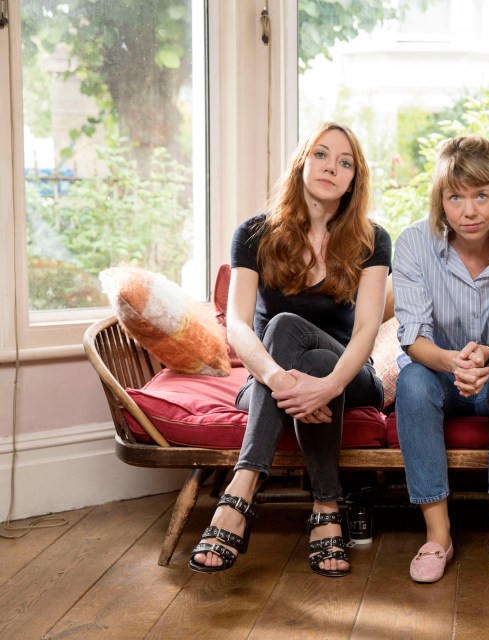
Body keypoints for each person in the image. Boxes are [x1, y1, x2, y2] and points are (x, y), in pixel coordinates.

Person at [189, 122, 391, 577]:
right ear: (301, 161)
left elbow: (364, 333)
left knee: (292, 333)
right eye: (321, 154)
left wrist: (329, 385)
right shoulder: (255, 233)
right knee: (294, 346)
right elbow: (238, 323)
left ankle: (239, 495)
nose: (331, 168)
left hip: (351, 378)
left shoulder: (371, 239)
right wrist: (281, 379)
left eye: (345, 162)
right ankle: (326, 510)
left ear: (354, 178)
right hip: (270, 377)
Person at [392, 135, 489, 587]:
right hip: (439, 375)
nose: (469, 210)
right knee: (412, 383)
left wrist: (485, 355)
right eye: (456, 196)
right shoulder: (412, 244)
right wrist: (452, 362)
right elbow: (413, 338)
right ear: (440, 200)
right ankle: (437, 536)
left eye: (481, 195)